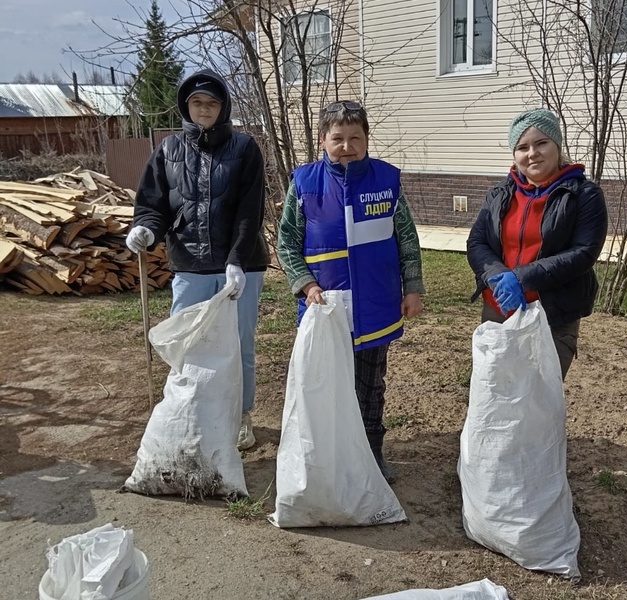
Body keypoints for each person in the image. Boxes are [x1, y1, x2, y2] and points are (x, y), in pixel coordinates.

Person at [277, 100, 425, 483]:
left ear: (367, 140)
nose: (347, 146)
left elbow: (407, 239)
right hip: (324, 308)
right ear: (323, 140)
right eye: (337, 138)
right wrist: (305, 284)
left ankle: (372, 453)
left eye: (355, 138)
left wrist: (413, 288)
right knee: (326, 384)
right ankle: (329, 455)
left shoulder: (386, 181)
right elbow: (287, 242)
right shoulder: (304, 183)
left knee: (370, 385)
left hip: (376, 305)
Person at [126, 68, 270, 450]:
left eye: (211, 102)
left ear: (223, 107)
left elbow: (249, 211)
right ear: (186, 107)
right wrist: (146, 230)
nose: (204, 109)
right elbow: (152, 203)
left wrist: (237, 259)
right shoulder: (169, 150)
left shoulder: (244, 148)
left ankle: (240, 415)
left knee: (239, 344)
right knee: (187, 344)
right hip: (189, 265)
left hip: (240, 268)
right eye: (196, 102)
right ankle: (191, 410)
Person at [467, 108, 608, 380]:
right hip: (499, 309)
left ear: (557, 144)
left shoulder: (584, 195)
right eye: (522, 147)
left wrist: (521, 278)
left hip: (552, 317)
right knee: (495, 397)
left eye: (541, 143)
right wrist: (496, 276)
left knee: (538, 404)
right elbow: (477, 241)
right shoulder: (499, 195)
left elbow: (583, 253)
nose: (532, 153)